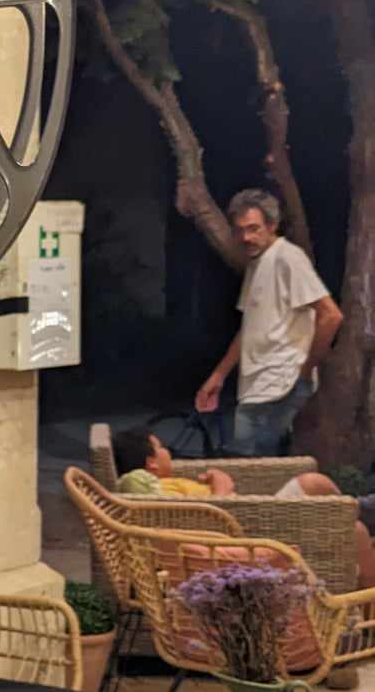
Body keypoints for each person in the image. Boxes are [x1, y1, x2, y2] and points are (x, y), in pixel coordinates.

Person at [113, 426, 375, 586]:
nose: (168, 451)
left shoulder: (168, 483)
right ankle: (359, 509)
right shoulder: (159, 489)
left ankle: (353, 513)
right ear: (151, 464)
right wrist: (221, 482)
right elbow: (206, 516)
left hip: (247, 518)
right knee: (314, 484)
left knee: (356, 530)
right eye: (161, 448)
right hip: (251, 532)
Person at [195, 188, 342, 456]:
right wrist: (218, 375)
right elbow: (250, 329)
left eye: (253, 229)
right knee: (255, 469)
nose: (246, 237)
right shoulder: (257, 263)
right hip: (259, 385)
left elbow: (331, 315)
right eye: (239, 230)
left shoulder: (288, 257)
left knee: (251, 470)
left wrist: (306, 371)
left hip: (279, 381)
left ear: (272, 226)